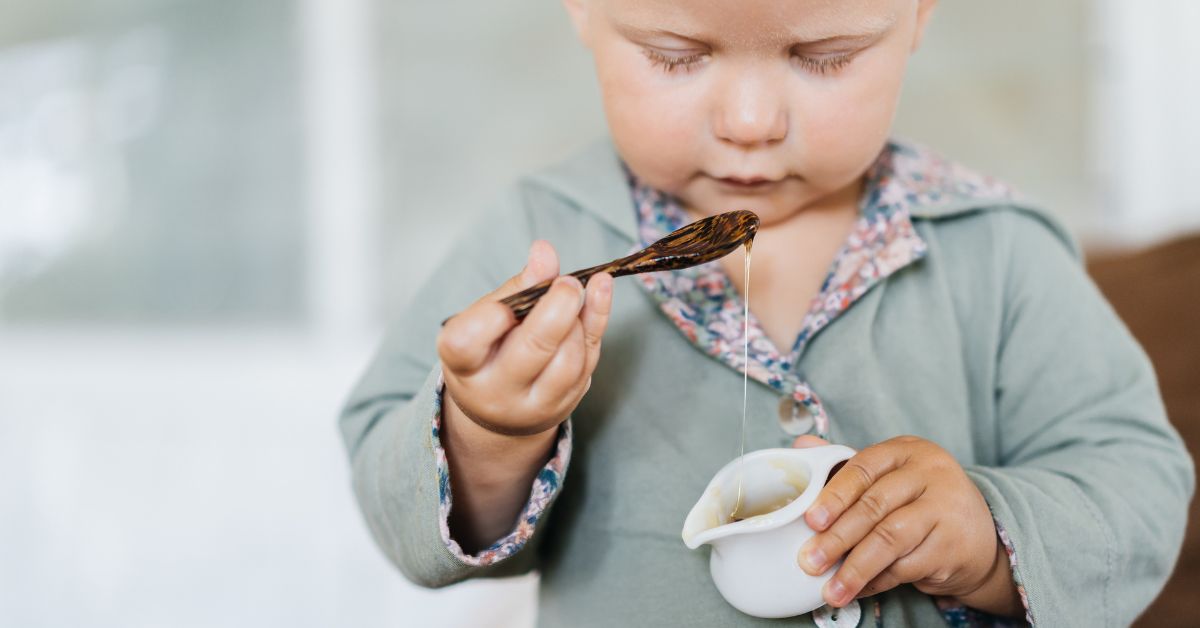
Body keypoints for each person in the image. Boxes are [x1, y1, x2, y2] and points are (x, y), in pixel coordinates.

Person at [339, 1, 1194, 625]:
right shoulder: (539, 234)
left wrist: (990, 532)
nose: (750, 122)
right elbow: (396, 508)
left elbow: (1137, 483)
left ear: (919, 15)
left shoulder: (998, 251)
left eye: (823, 57)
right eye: (677, 56)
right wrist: (488, 432)